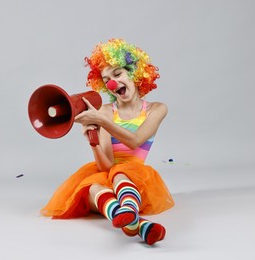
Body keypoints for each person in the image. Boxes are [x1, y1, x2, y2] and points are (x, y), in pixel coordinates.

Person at [40, 38, 174, 245]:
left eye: (118, 74)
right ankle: (138, 225)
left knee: (121, 174)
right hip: (108, 174)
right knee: (92, 188)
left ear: (135, 73)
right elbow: (106, 166)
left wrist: (101, 121)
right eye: (106, 79)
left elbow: (135, 140)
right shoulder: (105, 111)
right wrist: (92, 142)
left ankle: (128, 212)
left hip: (136, 180)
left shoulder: (157, 109)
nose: (112, 83)